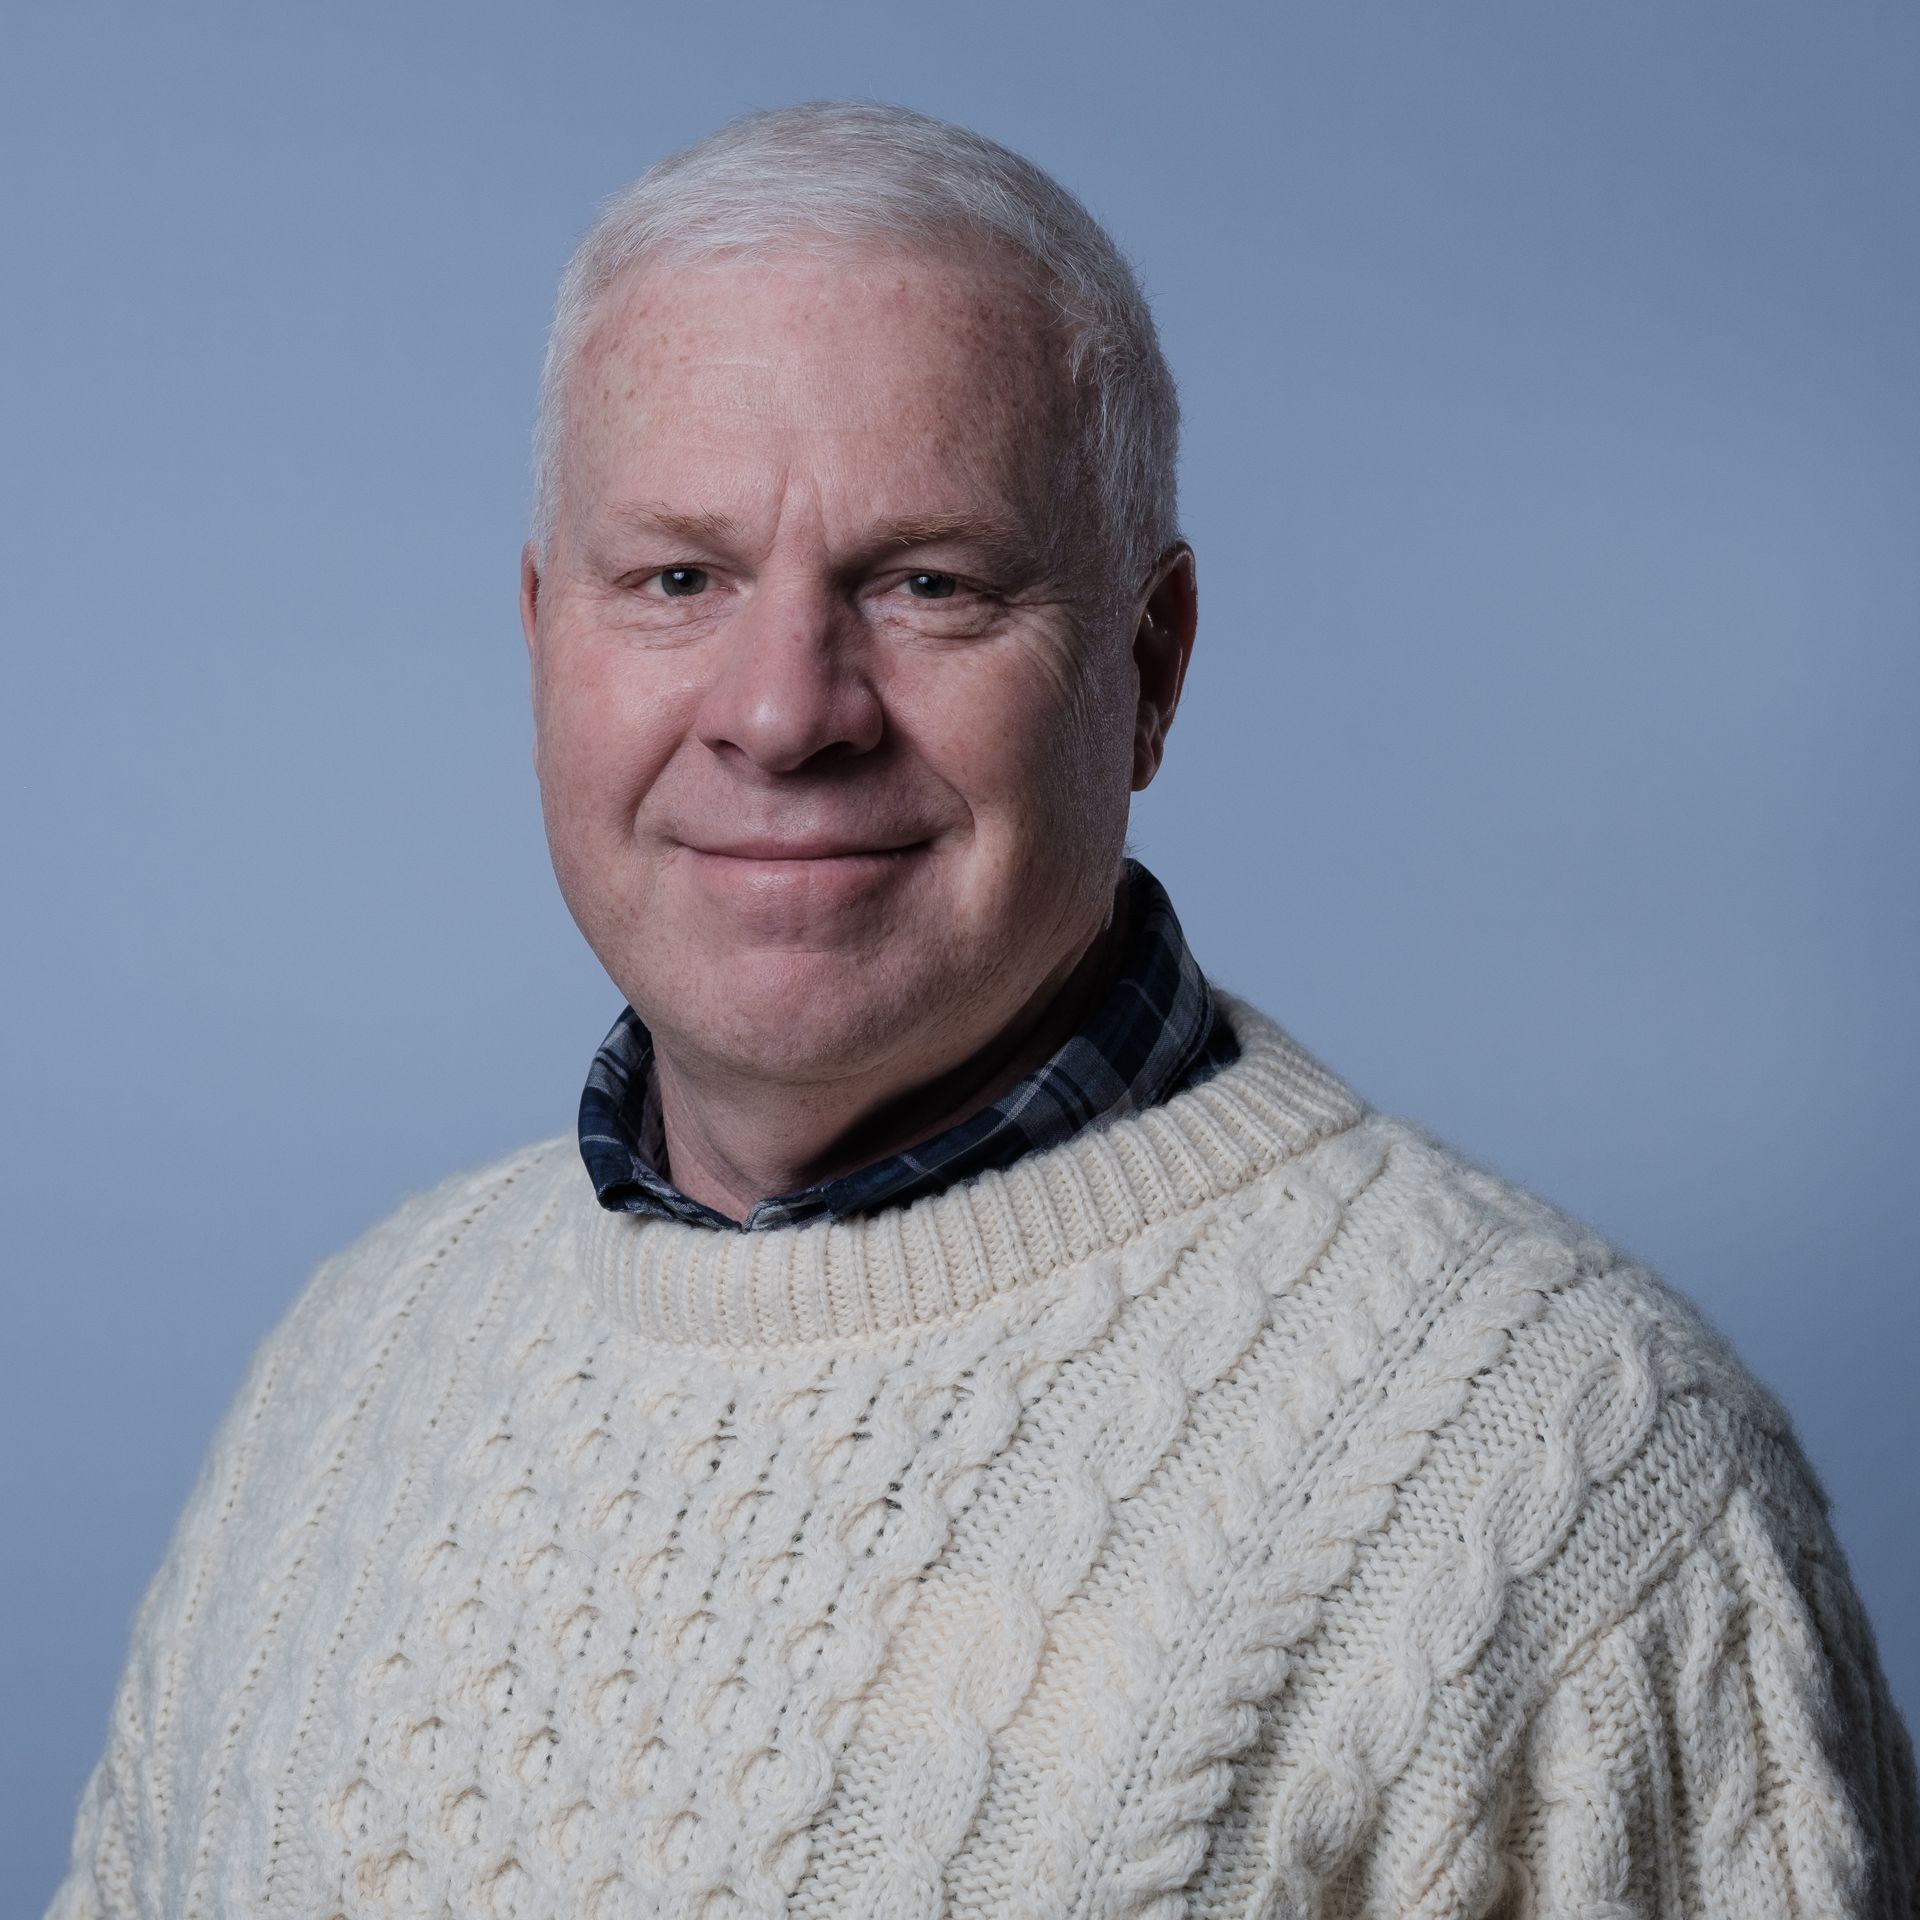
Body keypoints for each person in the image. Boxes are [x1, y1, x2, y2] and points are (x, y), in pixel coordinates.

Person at [49, 101, 1916, 1920]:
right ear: (544, 633)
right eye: (678, 578)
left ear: (1151, 666)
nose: (785, 712)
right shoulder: (357, 1360)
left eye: (927, 585)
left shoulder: (1566, 1484)